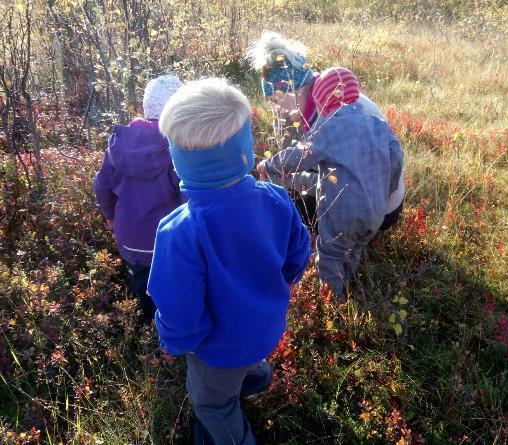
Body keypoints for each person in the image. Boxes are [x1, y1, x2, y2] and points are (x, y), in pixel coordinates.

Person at [147, 77, 311, 444]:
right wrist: (280, 284)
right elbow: (298, 254)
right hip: (267, 324)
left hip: (217, 352)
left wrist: (176, 343)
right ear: (246, 149)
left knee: (213, 406)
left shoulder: (179, 232)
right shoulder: (276, 199)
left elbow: (180, 310)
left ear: (178, 162)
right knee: (249, 358)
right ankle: (255, 379)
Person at [257, 67, 404, 297]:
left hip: (342, 214)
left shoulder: (327, 125)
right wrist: (390, 186)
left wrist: (270, 165)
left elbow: (300, 155)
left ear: (322, 101)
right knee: (355, 249)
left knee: (330, 255)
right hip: (376, 211)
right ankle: (350, 280)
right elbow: (396, 156)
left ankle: (333, 302)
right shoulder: (376, 122)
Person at [246, 31, 405, 233]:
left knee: (284, 208)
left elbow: (342, 184)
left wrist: (285, 179)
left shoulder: (340, 117)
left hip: (375, 207)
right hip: (369, 194)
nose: (274, 107)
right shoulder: (315, 98)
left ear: (297, 89)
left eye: (275, 99)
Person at [93, 74, 184, 321]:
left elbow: (101, 186)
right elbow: (186, 193)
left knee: (142, 286)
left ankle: (147, 328)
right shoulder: (176, 146)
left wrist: (111, 217)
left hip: (129, 239)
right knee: (171, 289)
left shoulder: (118, 143)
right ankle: (171, 333)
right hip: (167, 241)